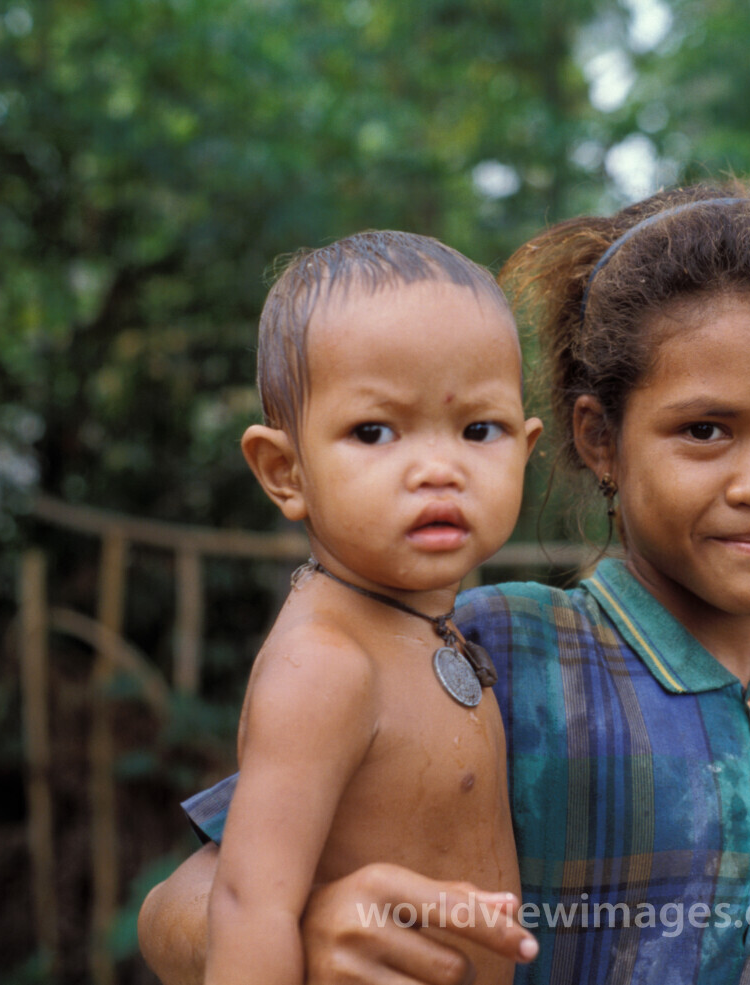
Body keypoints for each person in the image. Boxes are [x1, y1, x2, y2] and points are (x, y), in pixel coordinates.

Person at [140, 183, 750, 985]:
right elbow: (190, 898)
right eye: (705, 430)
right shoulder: (485, 655)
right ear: (600, 438)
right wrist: (318, 926)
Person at [198, 230, 544, 985]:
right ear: (285, 471)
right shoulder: (327, 663)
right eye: (374, 431)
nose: (438, 469)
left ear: (526, 447)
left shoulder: (430, 623)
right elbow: (249, 906)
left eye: (478, 429)